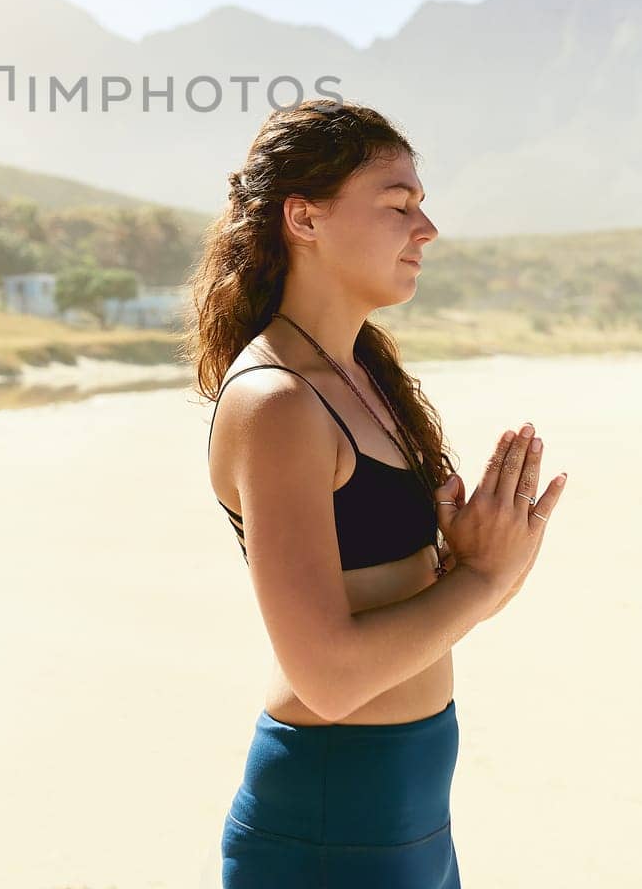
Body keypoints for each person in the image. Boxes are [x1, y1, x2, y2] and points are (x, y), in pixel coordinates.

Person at [184, 98, 567, 887]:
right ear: (304, 217)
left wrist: (470, 559)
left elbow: (400, 600)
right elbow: (327, 679)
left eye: (421, 206)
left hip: (410, 808)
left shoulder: (358, 375)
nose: (424, 230)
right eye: (398, 204)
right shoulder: (278, 401)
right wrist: (485, 579)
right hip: (333, 822)